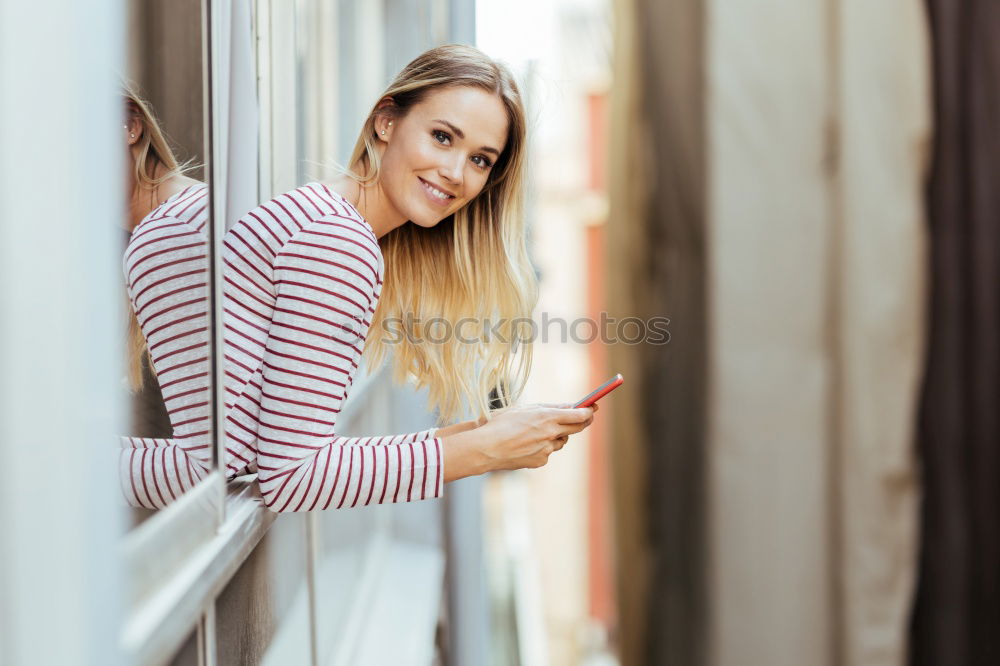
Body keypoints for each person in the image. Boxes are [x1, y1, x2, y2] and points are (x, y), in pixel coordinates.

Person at [125, 44, 597, 512]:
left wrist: (481, 434)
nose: (455, 172)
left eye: (480, 160)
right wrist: (481, 452)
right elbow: (288, 479)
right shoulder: (336, 239)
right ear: (386, 121)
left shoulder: (327, 220)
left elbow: (245, 457)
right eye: (442, 137)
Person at [119, 88, 213, 508]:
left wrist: (51, 466)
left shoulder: (169, 235)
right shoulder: (195, 210)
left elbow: (208, 470)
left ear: (131, 126)